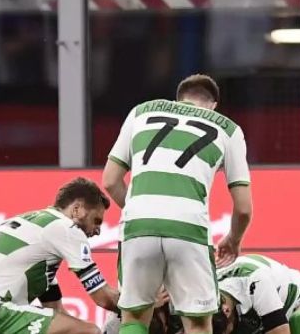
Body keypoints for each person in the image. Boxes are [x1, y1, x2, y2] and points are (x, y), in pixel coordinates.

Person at [102, 74, 254, 334]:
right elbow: (243, 207)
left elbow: (110, 181)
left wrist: (141, 210)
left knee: (134, 318)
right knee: (198, 323)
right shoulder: (229, 129)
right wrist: (233, 239)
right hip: (189, 229)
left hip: (138, 225)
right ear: (213, 105)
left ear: (178, 100)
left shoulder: (140, 113)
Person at [0, 178, 120, 334]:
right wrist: (141, 306)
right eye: (96, 220)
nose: (97, 231)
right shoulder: (65, 228)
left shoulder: (31, 230)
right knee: (88, 332)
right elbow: (103, 298)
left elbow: (56, 311)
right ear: (77, 209)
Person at [212, 254, 300, 334]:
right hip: (260, 324)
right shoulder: (201, 295)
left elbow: (281, 332)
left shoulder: (255, 279)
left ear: (226, 310)